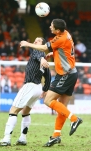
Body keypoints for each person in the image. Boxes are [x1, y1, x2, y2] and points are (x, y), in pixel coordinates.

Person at [20, 19, 83, 147]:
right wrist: (54, 52)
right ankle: (56, 136)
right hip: (72, 73)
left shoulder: (59, 38)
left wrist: (28, 44)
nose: (50, 27)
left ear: (58, 30)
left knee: (48, 100)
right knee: (62, 108)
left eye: (52, 26)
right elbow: (62, 48)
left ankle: (74, 119)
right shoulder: (65, 34)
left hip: (65, 75)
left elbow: (43, 47)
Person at [0, 37, 51, 147]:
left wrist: (28, 45)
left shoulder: (37, 52)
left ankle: (6, 139)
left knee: (13, 110)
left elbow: (38, 54)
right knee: (26, 111)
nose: (35, 41)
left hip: (30, 86)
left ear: (42, 45)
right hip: (38, 88)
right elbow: (48, 76)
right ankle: (22, 138)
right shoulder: (43, 57)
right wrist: (45, 89)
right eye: (35, 40)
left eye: (38, 41)